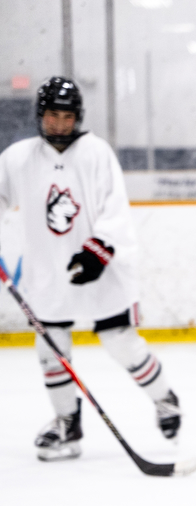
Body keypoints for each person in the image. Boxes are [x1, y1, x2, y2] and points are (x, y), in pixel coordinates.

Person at [0, 77, 181, 461]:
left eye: (67, 116)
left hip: (102, 267)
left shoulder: (96, 152)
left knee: (120, 343)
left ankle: (164, 399)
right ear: (40, 115)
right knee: (51, 349)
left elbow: (115, 208)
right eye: (52, 115)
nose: (60, 124)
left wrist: (96, 251)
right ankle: (67, 424)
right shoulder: (17, 158)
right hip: (48, 271)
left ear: (77, 117)